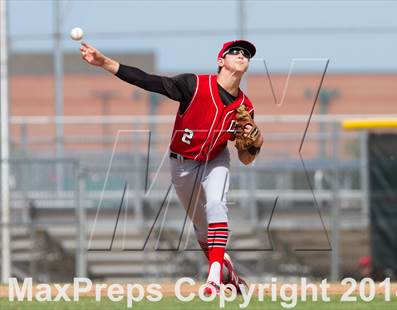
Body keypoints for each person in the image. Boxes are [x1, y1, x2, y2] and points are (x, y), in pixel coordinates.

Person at [80, 40, 264, 295]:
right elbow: (149, 81)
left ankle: (213, 280)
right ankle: (226, 271)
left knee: (216, 205)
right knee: (201, 226)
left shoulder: (245, 107)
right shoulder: (195, 85)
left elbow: (245, 157)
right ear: (221, 61)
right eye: (236, 52)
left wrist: (254, 145)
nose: (242, 55)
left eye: (247, 54)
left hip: (215, 160)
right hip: (182, 163)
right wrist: (105, 63)